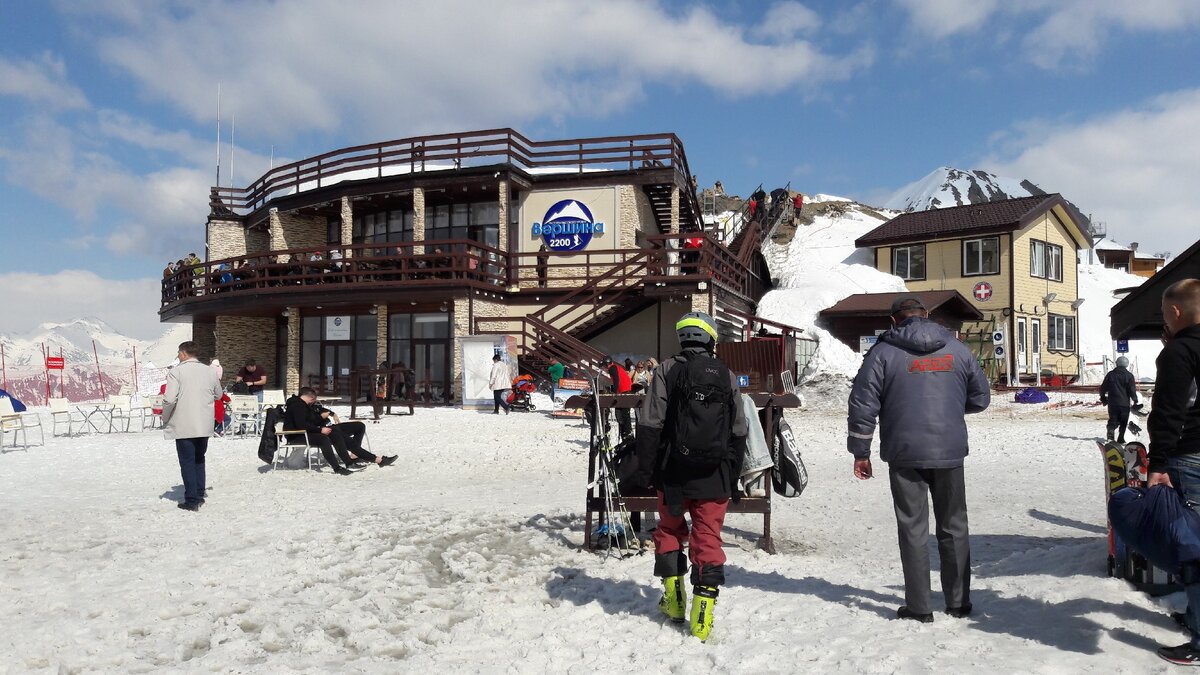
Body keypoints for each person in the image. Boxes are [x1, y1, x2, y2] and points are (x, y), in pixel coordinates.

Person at [847, 296, 990, 623]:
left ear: (894, 320)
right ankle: (958, 602)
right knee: (954, 525)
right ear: (927, 316)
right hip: (949, 450)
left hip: (904, 452)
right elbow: (980, 398)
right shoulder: (956, 349)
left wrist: (861, 451)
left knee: (913, 527)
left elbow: (862, 404)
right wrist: (951, 409)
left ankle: (919, 606)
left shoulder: (882, 353)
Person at [625, 311, 747, 642]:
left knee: (668, 530)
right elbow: (740, 429)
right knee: (708, 536)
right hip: (715, 474)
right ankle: (703, 616)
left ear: (683, 338)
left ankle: (674, 601)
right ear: (711, 339)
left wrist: (647, 471)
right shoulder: (727, 374)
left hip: (673, 472)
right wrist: (732, 474)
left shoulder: (666, 369)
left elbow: (650, 423)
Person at [1145, 279, 1200, 666]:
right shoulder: (1182, 351)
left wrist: (1158, 462)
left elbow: (1169, 412)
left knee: (1194, 550)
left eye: (1166, 314)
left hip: (1190, 457)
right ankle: (1196, 616)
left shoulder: (1180, 353)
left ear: (1176, 313)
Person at [161, 341, 223, 511]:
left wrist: (165, 417)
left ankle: (191, 499)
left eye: (179, 353)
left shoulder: (176, 372)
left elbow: (169, 399)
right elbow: (219, 394)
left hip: (183, 423)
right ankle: (200, 492)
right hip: (204, 423)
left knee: (187, 461)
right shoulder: (210, 371)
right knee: (199, 458)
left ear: (183, 354)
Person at [284, 388, 367, 475]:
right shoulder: (297, 406)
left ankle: (349, 462)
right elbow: (301, 425)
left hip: (305, 432)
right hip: (296, 435)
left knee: (333, 434)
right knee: (323, 439)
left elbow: (313, 417)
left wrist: (330, 414)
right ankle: (337, 468)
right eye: (313, 401)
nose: (313, 403)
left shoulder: (303, 405)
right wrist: (320, 429)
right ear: (311, 398)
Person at [313, 401, 396, 468]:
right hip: (323, 431)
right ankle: (378, 460)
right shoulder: (302, 408)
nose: (314, 400)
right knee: (343, 438)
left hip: (331, 426)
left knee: (359, 426)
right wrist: (320, 418)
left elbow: (322, 409)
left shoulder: (311, 405)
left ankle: (355, 454)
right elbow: (309, 423)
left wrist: (332, 413)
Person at [1100, 356, 1139, 443]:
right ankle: (1121, 438)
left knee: (1113, 418)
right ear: (1126, 364)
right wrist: (1135, 400)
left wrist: (1103, 397)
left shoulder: (1110, 374)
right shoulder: (1129, 376)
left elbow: (1103, 388)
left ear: (1117, 363)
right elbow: (1132, 390)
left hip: (1112, 402)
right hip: (1124, 403)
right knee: (1124, 421)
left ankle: (1110, 431)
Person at [607, 356, 633, 439]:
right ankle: (624, 432)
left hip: (623, 390)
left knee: (623, 413)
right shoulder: (616, 367)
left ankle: (627, 432)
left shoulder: (612, 368)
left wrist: (614, 392)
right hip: (625, 389)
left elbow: (616, 379)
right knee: (621, 412)